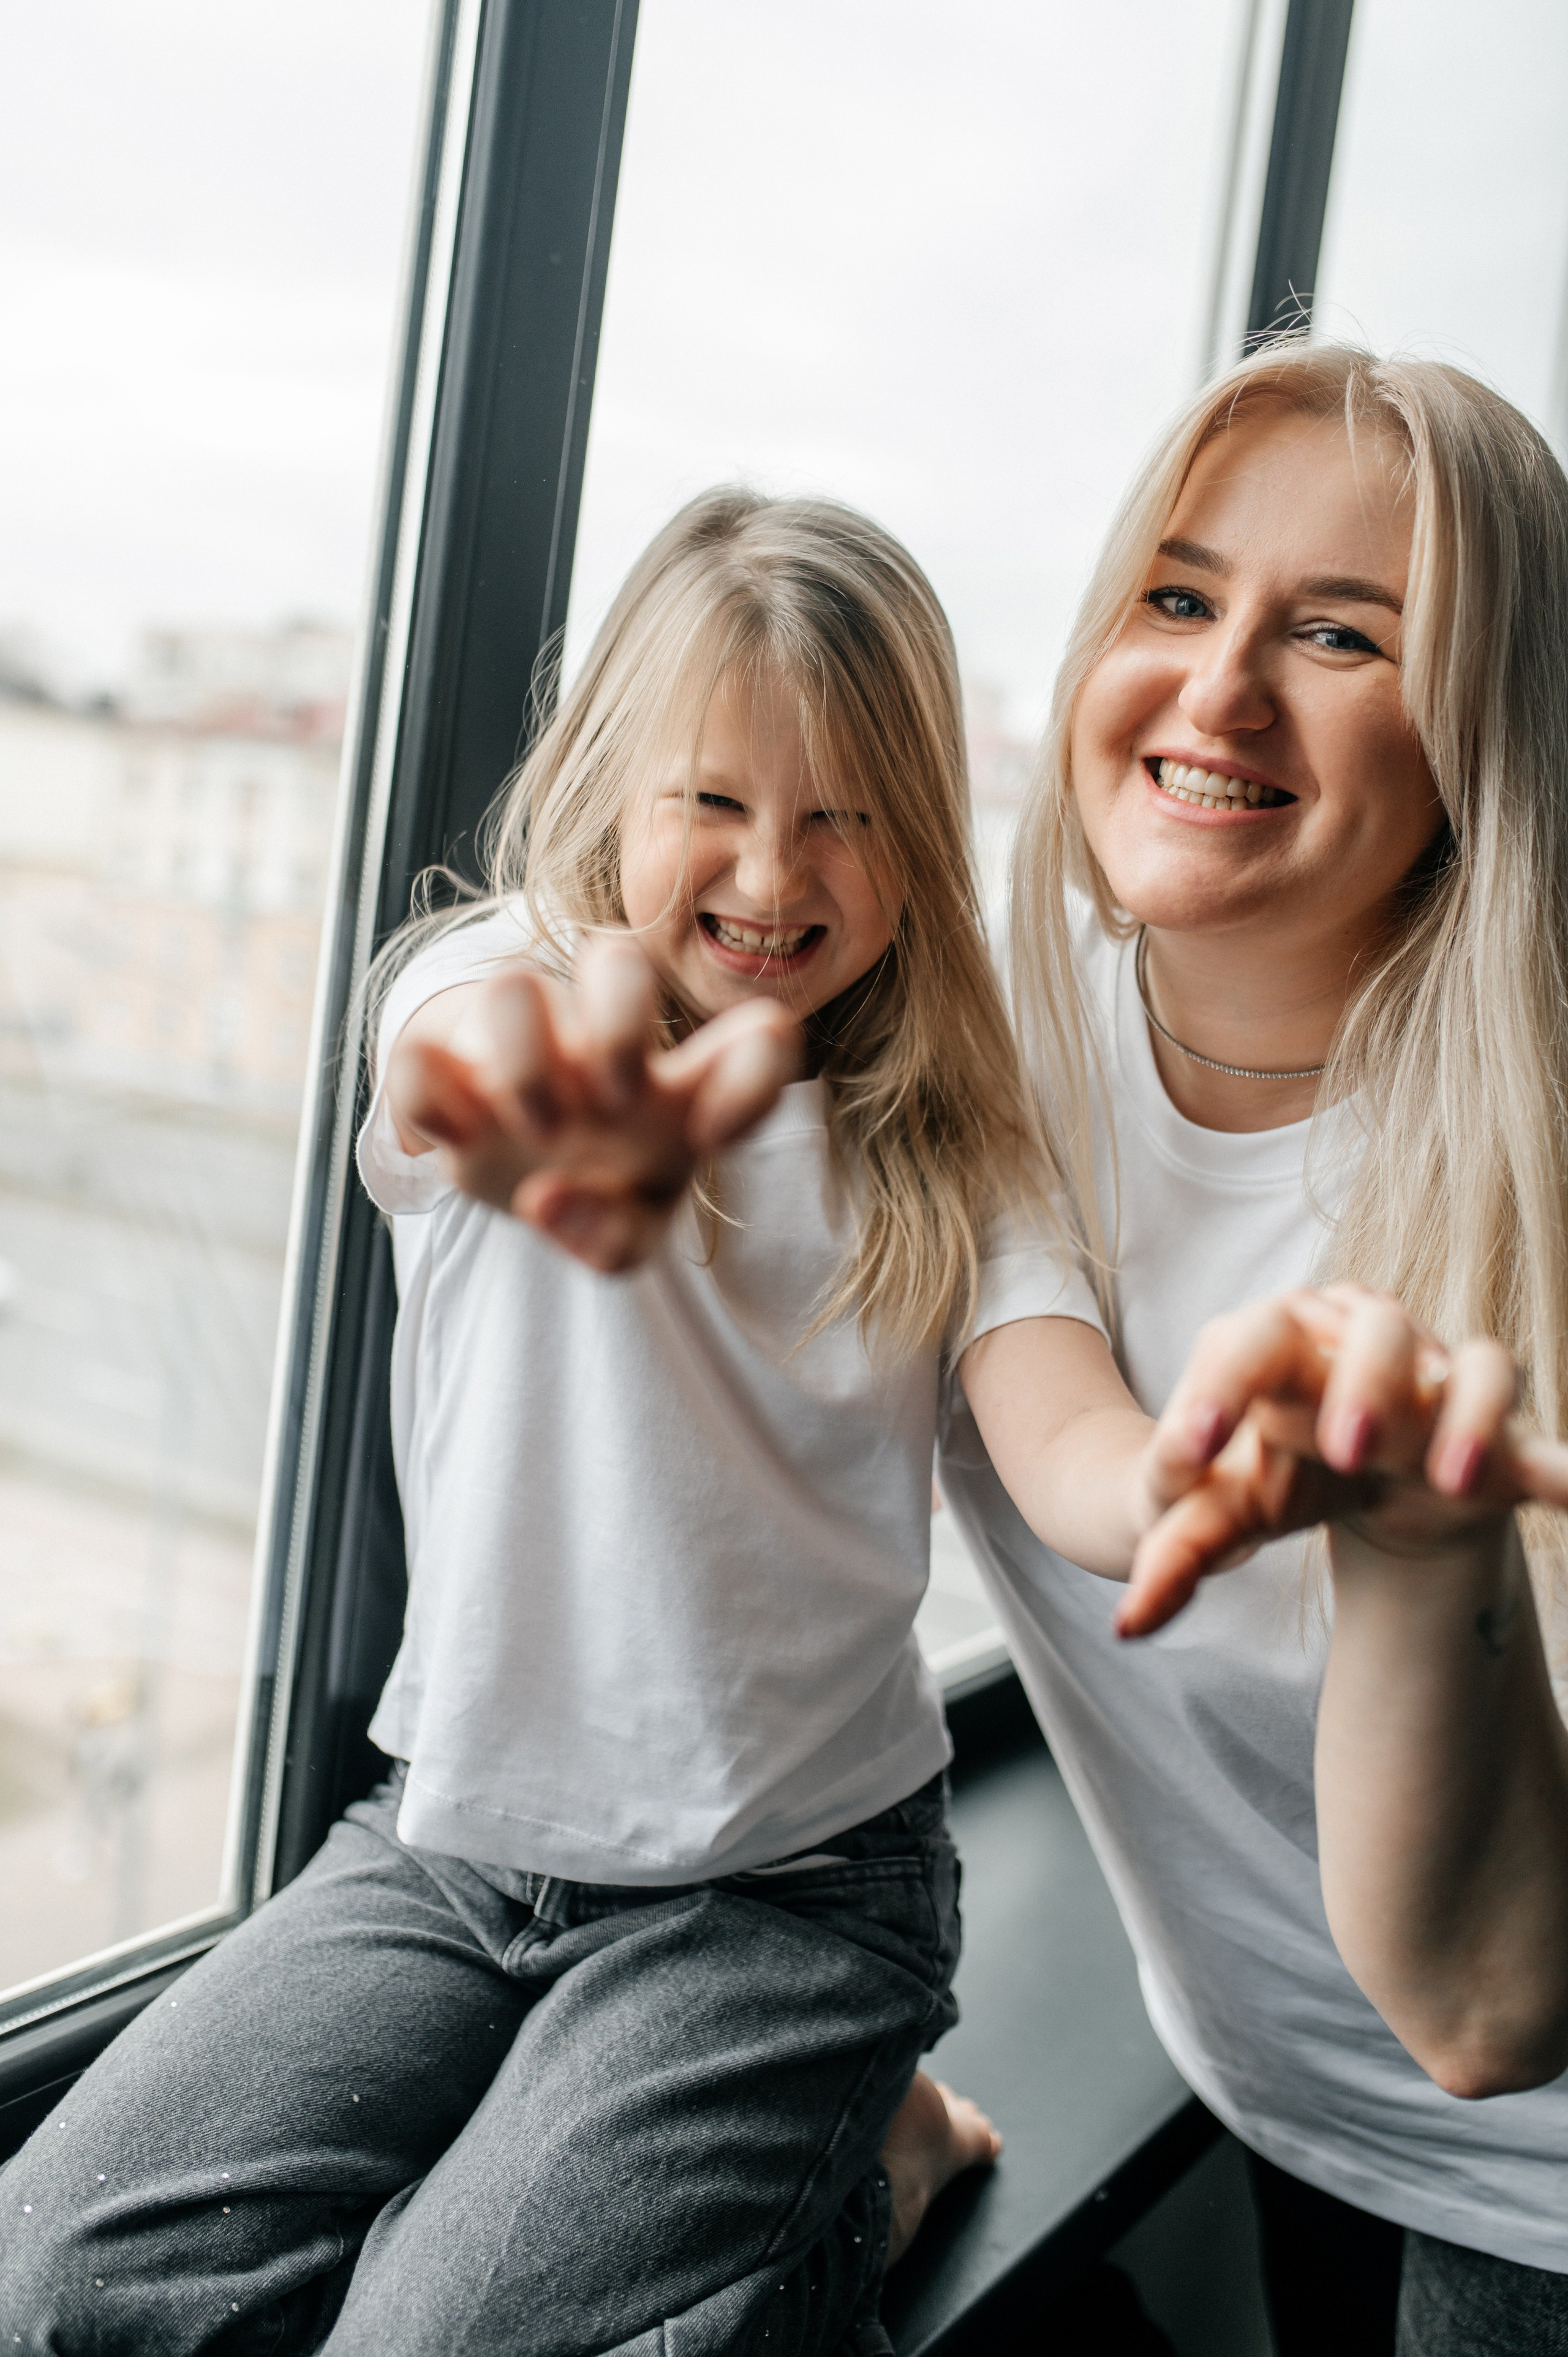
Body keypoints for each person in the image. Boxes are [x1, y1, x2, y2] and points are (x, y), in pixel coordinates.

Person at [0, 489, 1042, 2356]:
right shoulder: (489, 984)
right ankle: (749, 2164)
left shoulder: (947, 1144)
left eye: (844, 816)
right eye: (713, 803)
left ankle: (864, 2166)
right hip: (462, 1845)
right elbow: (456, 1068)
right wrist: (559, 1107)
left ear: (921, 839)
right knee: (48, 2283)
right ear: (614, 791)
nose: (771, 872)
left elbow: (1066, 1443)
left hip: (793, 1889)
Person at [924, 342, 1568, 2355]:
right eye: (1182, 600)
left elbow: (1484, 2013)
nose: (1219, 693)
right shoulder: (987, 1067)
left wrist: (1424, 1542)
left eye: (1344, 637)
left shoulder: (1532, 1188)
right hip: (1278, 2103)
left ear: (1479, 740)